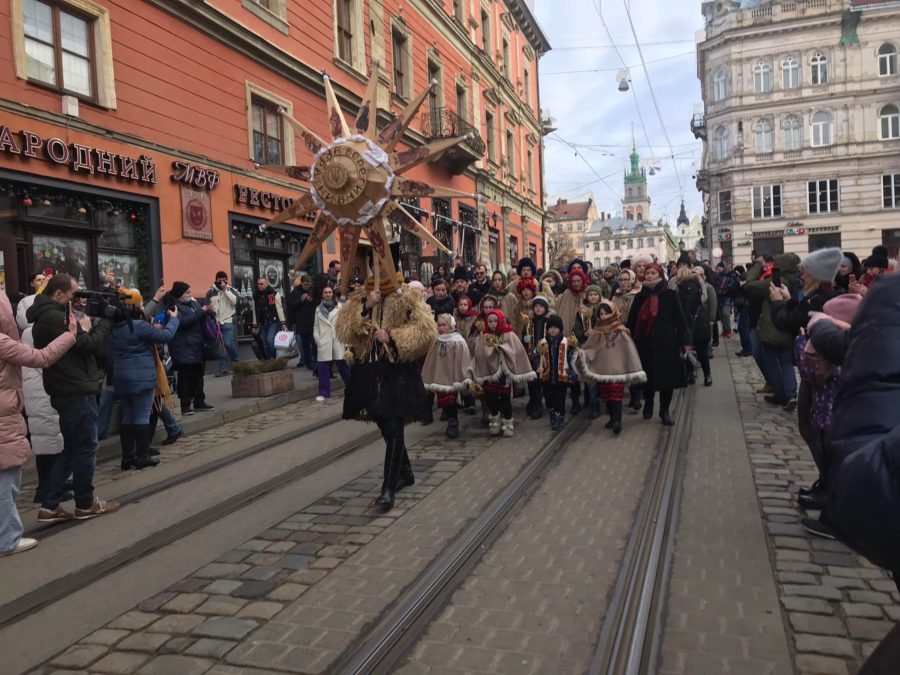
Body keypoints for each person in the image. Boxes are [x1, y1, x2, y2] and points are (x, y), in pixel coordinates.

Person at [336, 256, 436, 511]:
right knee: (382, 422)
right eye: (376, 265)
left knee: (393, 426)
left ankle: (388, 488)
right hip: (368, 371)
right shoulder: (362, 295)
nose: (380, 269)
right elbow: (344, 330)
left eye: (385, 265)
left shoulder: (408, 296)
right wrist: (366, 307)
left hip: (397, 371)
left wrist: (392, 336)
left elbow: (427, 331)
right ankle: (405, 471)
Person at [28, 274, 118, 522]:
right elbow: (90, 345)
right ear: (58, 295)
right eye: (73, 294)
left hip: (66, 387)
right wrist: (103, 322)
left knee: (72, 448)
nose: (77, 298)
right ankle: (85, 503)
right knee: (86, 447)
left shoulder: (46, 316)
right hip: (76, 389)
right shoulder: (56, 318)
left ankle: (50, 506)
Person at [1, 293, 77, 555]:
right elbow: (41, 357)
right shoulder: (3, 341)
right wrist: (70, 334)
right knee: (6, 480)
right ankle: (7, 540)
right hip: (3, 416)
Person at [108, 290, 180, 470]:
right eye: (140, 304)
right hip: (142, 376)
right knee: (141, 414)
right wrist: (174, 320)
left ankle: (127, 457)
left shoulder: (114, 327)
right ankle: (142, 456)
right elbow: (165, 337)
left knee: (128, 415)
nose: (142, 307)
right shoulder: (139, 326)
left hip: (121, 377)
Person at [626, 263, 690, 426]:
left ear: (660, 275)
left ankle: (664, 410)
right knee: (647, 377)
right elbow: (632, 321)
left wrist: (685, 341)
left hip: (666, 342)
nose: (649, 276)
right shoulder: (640, 297)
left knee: (666, 379)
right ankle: (648, 403)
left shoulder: (669, 294)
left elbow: (679, 319)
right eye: (647, 273)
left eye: (652, 273)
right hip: (645, 343)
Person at [577, 299, 646, 435]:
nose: (603, 316)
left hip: (617, 368)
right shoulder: (597, 330)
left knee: (616, 392)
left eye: (606, 313)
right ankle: (611, 418)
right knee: (605, 393)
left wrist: (629, 364)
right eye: (601, 314)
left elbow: (628, 348)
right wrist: (583, 353)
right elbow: (591, 347)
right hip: (602, 368)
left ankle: (617, 421)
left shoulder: (620, 330)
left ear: (613, 313)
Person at [742, 253, 802, 410]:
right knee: (786, 362)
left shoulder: (777, 281)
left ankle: (782, 393)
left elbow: (749, 286)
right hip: (788, 328)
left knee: (771, 362)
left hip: (773, 326)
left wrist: (756, 267)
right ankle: (791, 394)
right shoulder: (795, 280)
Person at [150, 282, 214, 416]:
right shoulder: (173, 307)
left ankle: (199, 401)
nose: (190, 295)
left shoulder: (193, 304)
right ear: (179, 295)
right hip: (182, 346)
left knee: (198, 375)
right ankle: (185, 405)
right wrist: (201, 312)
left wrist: (208, 312)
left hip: (196, 345)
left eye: (190, 292)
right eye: (187, 293)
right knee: (185, 377)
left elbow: (199, 316)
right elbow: (183, 322)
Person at [470, 309, 535, 437]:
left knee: (505, 398)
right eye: (490, 321)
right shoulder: (485, 336)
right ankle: (495, 418)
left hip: (505, 373)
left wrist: (501, 349)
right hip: (490, 372)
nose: (493, 324)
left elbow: (517, 351)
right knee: (490, 397)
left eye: (495, 321)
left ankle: (508, 421)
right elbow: (480, 354)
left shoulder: (508, 334)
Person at [421, 314, 473, 439]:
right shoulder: (436, 340)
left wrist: (462, 376)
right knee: (443, 401)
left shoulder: (457, 340)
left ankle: (453, 424)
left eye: (444, 325)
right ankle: (450, 420)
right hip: (439, 377)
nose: (441, 328)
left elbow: (463, 358)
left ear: (451, 326)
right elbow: (431, 359)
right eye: (439, 325)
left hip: (452, 376)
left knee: (451, 401)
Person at [537, 314, 576, 431]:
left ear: (560, 329)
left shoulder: (566, 342)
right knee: (549, 398)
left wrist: (571, 371)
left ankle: (559, 417)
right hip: (547, 377)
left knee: (560, 398)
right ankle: (552, 412)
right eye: (550, 327)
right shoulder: (542, 343)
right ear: (547, 329)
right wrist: (537, 367)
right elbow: (536, 356)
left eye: (556, 327)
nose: (553, 330)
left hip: (561, 377)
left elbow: (571, 358)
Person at [312, 286, 350, 401]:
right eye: (325, 292)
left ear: (332, 294)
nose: (328, 294)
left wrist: (345, 339)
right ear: (322, 295)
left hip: (337, 339)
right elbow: (316, 326)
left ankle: (352, 387)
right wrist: (317, 339)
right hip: (324, 341)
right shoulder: (318, 309)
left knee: (343, 366)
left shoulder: (339, 307)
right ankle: (324, 392)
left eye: (330, 292)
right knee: (323, 368)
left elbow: (345, 324)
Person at [206, 272, 240, 376]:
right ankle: (223, 369)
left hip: (228, 321)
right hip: (216, 322)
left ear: (227, 280)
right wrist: (209, 310)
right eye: (219, 279)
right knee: (221, 347)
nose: (222, 281)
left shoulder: (231, 290)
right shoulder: (210, 292)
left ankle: (237, 363)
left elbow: (235, 302)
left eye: (224, 279)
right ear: (216, 280)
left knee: (228, 343)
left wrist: (225, 290)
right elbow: (206, 305)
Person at [287, 273, 317, 372]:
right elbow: (291, 306)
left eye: (308, 285)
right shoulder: (295, 292)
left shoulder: (312, 290)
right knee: (305, 344)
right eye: (305, 284)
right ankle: (309, 363)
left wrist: (312, 300)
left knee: (314, 343)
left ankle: (316, 362)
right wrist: (301, 300)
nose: (306, 287)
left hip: (312, 321)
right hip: (301, 322)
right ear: (301, 283)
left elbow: (316, 303)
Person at [254, 278, 286, 360]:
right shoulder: (256, 296)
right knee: (264, 342)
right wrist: (255, 324)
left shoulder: (273, 294)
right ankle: (269, 360)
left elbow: (279, 308)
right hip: (263, 322)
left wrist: (283, 323)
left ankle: (273, 358)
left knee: (269, 340)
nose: (259, 286)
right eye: (258, 284)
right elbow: (255, 311)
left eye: (261, 284)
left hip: (273, 321)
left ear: (266, 284)